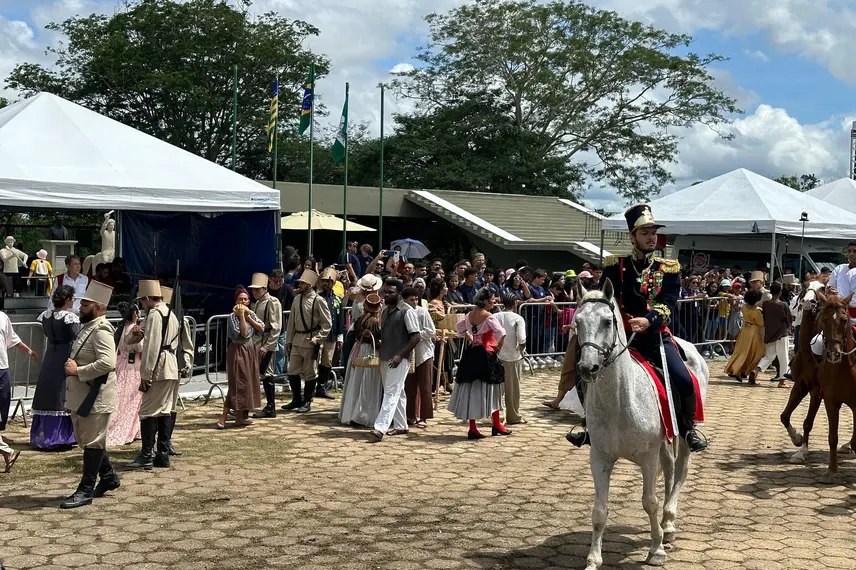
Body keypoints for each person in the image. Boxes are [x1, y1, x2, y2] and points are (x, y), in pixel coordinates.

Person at [567, 204, 706, 452]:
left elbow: (668, 303)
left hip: (654, 338)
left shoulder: (668, 268)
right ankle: (589, 425)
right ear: (633, 237)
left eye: (653, 232)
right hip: (619, 337)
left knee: (684, 379)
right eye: (645, 233)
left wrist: (648, 320)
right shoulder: (615, 266)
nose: (651, 237)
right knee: (582, 375)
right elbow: (605, 300)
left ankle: (687, 428)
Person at [60, 280, 120, 508]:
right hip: (83, 396)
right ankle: (109, 477)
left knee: (93, 442)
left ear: (99, 307)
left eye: (86, 304)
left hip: (96, 396)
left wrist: (79, 371)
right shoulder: (89, 327)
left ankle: (85, 490)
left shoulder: (102, 329)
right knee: (87, 440)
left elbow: (107, 362)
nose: (81, 307)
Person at [127, 280, 180, 471]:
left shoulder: (156, 314)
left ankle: (147, 454)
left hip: (159, 366)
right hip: (170, 364)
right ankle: (162, 453)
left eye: (142, 301)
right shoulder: (171, 313)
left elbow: (151, 347)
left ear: (148, 298)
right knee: (164, 410)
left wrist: (146, 374)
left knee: (147, 411)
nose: (142, 305)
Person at [448, 287, 510, 439]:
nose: (494, 302)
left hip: (472, 354)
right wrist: (498, 347)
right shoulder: (489, 316)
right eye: (492, 300)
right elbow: (501, 332)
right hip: (486, 354)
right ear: (485, 301)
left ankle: (473, 427)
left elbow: (459, 328)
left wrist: (469, 337)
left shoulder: (470, 315)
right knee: (492, 388)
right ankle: (496, 424)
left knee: (472, 389)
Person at [370, 279, 420, 441]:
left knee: (391, 392)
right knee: (397, 391)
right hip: (385, 356)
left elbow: (416, 337)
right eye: (385, 292)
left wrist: (401, 355)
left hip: (399, 358)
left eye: (390, 292)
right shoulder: (385, 311)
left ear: (399, 294)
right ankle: (401, 425)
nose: (386, 295)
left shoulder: (407, 311)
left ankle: (380, 427)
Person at [30, 285, 79, 450]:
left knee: (48, 391)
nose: (74, 300)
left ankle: (47, 434)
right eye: (72, 297)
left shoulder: (46, 316)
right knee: (61, 392)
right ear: (67, 300)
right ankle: (60, 436)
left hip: (50, 355)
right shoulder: (69, 317)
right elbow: (76, 337)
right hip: (65, 355)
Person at [283, 270, 332, 413]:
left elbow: (327, 323)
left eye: (303, 283)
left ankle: (307, 401)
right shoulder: (297, 299)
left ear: (310, 285)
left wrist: (318, 338)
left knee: (310, 372)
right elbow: (291, 322)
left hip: (311, 340)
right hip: (297, 340)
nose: (300, 285)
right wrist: (288, 340)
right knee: (292, 371)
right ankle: (296, 399)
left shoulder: (318, 300)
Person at [218, 287, 264, 428]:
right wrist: (242, 316)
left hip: (249, 349)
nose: (243, 302)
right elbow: (243, 333)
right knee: (237, 383)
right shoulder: (232, 317)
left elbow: (261, 327)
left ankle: (239, 418)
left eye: (245, 299)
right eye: (240, 299)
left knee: (246, 382)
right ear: (236, 301)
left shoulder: (251, 313)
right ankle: (223, 417)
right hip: (237, 350)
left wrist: (248, 316)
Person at [338, 293, 383, 426]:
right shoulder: (373, 321)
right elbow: (373, 339)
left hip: (357, 349)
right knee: (367, 382)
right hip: (368, 351)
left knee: (355, 381)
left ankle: (351, 412)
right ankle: (362, 415)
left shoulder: (360, 318)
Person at [106, 302, 144, 446]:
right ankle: (133, 428)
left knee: (120, 396)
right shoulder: (135, 330)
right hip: (133, 365)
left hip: (121, 363)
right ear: (134, 313)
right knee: (133, 397)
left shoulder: (120, 329)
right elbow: (141, 348)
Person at [249, 273, 283, 419]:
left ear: (265, 289)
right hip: (257, 341)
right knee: (260, 374)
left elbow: (276, 327)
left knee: (267, 374)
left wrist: (268, 346)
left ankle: (270, 407)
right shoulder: (258, 303)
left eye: (258, 289)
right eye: (253, 289)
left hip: (265, 343)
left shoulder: (272, 302)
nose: (255, 292)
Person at [0, 308, 37, 441]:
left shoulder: (3, 317)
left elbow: (13, 338)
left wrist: (28, 350)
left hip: (2, 366)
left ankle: (0, 434)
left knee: (4, 399)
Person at [403, 287, 436, 428]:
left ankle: (424, 417)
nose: (415, 302)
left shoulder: (422, 312)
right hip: (409, 353)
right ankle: (410, 415)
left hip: (423, 353)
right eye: (411, 299)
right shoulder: (403, 312)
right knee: (409, 387)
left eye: (416, 299)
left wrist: (416, 336)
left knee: (425, 386)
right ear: (404, 300)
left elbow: (431, 330)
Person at [495, 292, 526, 425]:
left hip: (497, 355)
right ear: (515, 303)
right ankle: (513, 416)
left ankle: (497, 416)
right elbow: (521, 338)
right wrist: (522, 350)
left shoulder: (494, 316)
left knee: (497, 389)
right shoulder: (518, 318)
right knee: (513, 389)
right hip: (513, 356)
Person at [754, 282, 792, 387]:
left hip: (770, 333)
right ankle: (782, 381)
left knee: (769, 356)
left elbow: (765, 316)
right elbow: (789, 320)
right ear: (780, 292)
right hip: (781, 334)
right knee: (784, 358)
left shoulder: (766, 304)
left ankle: (756, 370)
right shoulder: (783, 305)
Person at [724, 290, 765, 382]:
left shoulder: (744, 307)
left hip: (744, 330)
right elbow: (761, 323)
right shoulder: (757, 310)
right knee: (754, 352)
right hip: (754, 331)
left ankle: (739, 370)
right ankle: (747, 370)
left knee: (742, 350)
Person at [267, 268, 295, 377]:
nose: (278, 283)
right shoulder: (265, 289)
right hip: (267, 326)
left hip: (282, 326)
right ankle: (266, 373)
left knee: (280, 351)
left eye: (280, 281)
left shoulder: (287, 289)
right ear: (270, 279)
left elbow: (295, 301)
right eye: (276, 281)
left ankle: (278, 374)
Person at [829, 241, 856, 324]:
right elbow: (830, 287)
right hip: (840, 315)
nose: (851, 254)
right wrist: (831, 292)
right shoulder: (839, 269)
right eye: (849, 251)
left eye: (855, 251)